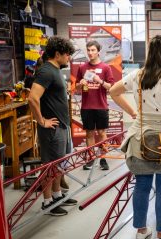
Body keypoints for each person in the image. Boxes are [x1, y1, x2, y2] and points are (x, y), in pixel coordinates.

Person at [109, 35, 161, 239]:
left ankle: (141, 231)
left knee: (142, 186)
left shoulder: (137, 76)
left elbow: (113, 91)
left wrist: (134, 112)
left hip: (141, 138)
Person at [28, 36, 77, 216]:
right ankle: (48, 202)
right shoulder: (46, 71)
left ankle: (57, 196)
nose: (68, 58)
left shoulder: (56, 70)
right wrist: (42, 121)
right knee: (49, 166)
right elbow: (33, 98)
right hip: (52, 129)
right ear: (57, 54)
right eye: (67, 55)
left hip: (62, 126)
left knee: (59, 165)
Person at [76, 40, 114, 171]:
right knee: (89, 134)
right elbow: (76, 88)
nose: (90, 53)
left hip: (101, 106)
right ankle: (91, 159)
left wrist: (100, 81)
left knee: (102, 133)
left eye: (93, 50)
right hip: (87, 106)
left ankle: (103, 159)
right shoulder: (82, 68)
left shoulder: (106, 68)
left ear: (98, 51)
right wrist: (80, 84)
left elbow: (111, 87)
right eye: (88, 50)